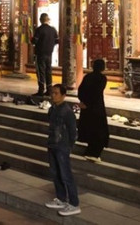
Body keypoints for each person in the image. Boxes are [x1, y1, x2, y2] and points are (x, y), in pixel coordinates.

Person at [45, 84, 81, 216]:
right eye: (52, 93)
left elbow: (73, 132)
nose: (53, 95)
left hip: (62, 146)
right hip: (52, 144)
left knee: (66, 175)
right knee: (55, 173)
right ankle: (61, 198)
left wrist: (68, 146)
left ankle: (74, 203)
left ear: (63, 95)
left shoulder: (67, 111)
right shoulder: (53, 109)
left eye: (56, 93)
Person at [78, 59, 109, 162]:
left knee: (89, 128)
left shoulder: (87, 77)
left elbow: (80, 90)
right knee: (98, 130)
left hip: (86, 106)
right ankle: (94, 153)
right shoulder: (102, 78)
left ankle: (89, 150)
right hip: (96, 106)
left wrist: (84, 102)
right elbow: (97, 92)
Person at [33, 13, 59, 96]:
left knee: (41, 72)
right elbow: (57, 41)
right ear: (48, 19)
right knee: (48, 71)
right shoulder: (53, 30)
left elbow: (34, 41)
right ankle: (49, 90)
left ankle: (41, 90)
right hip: (49, 53)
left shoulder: (39, 29)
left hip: (40, 53)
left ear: (41, 20)